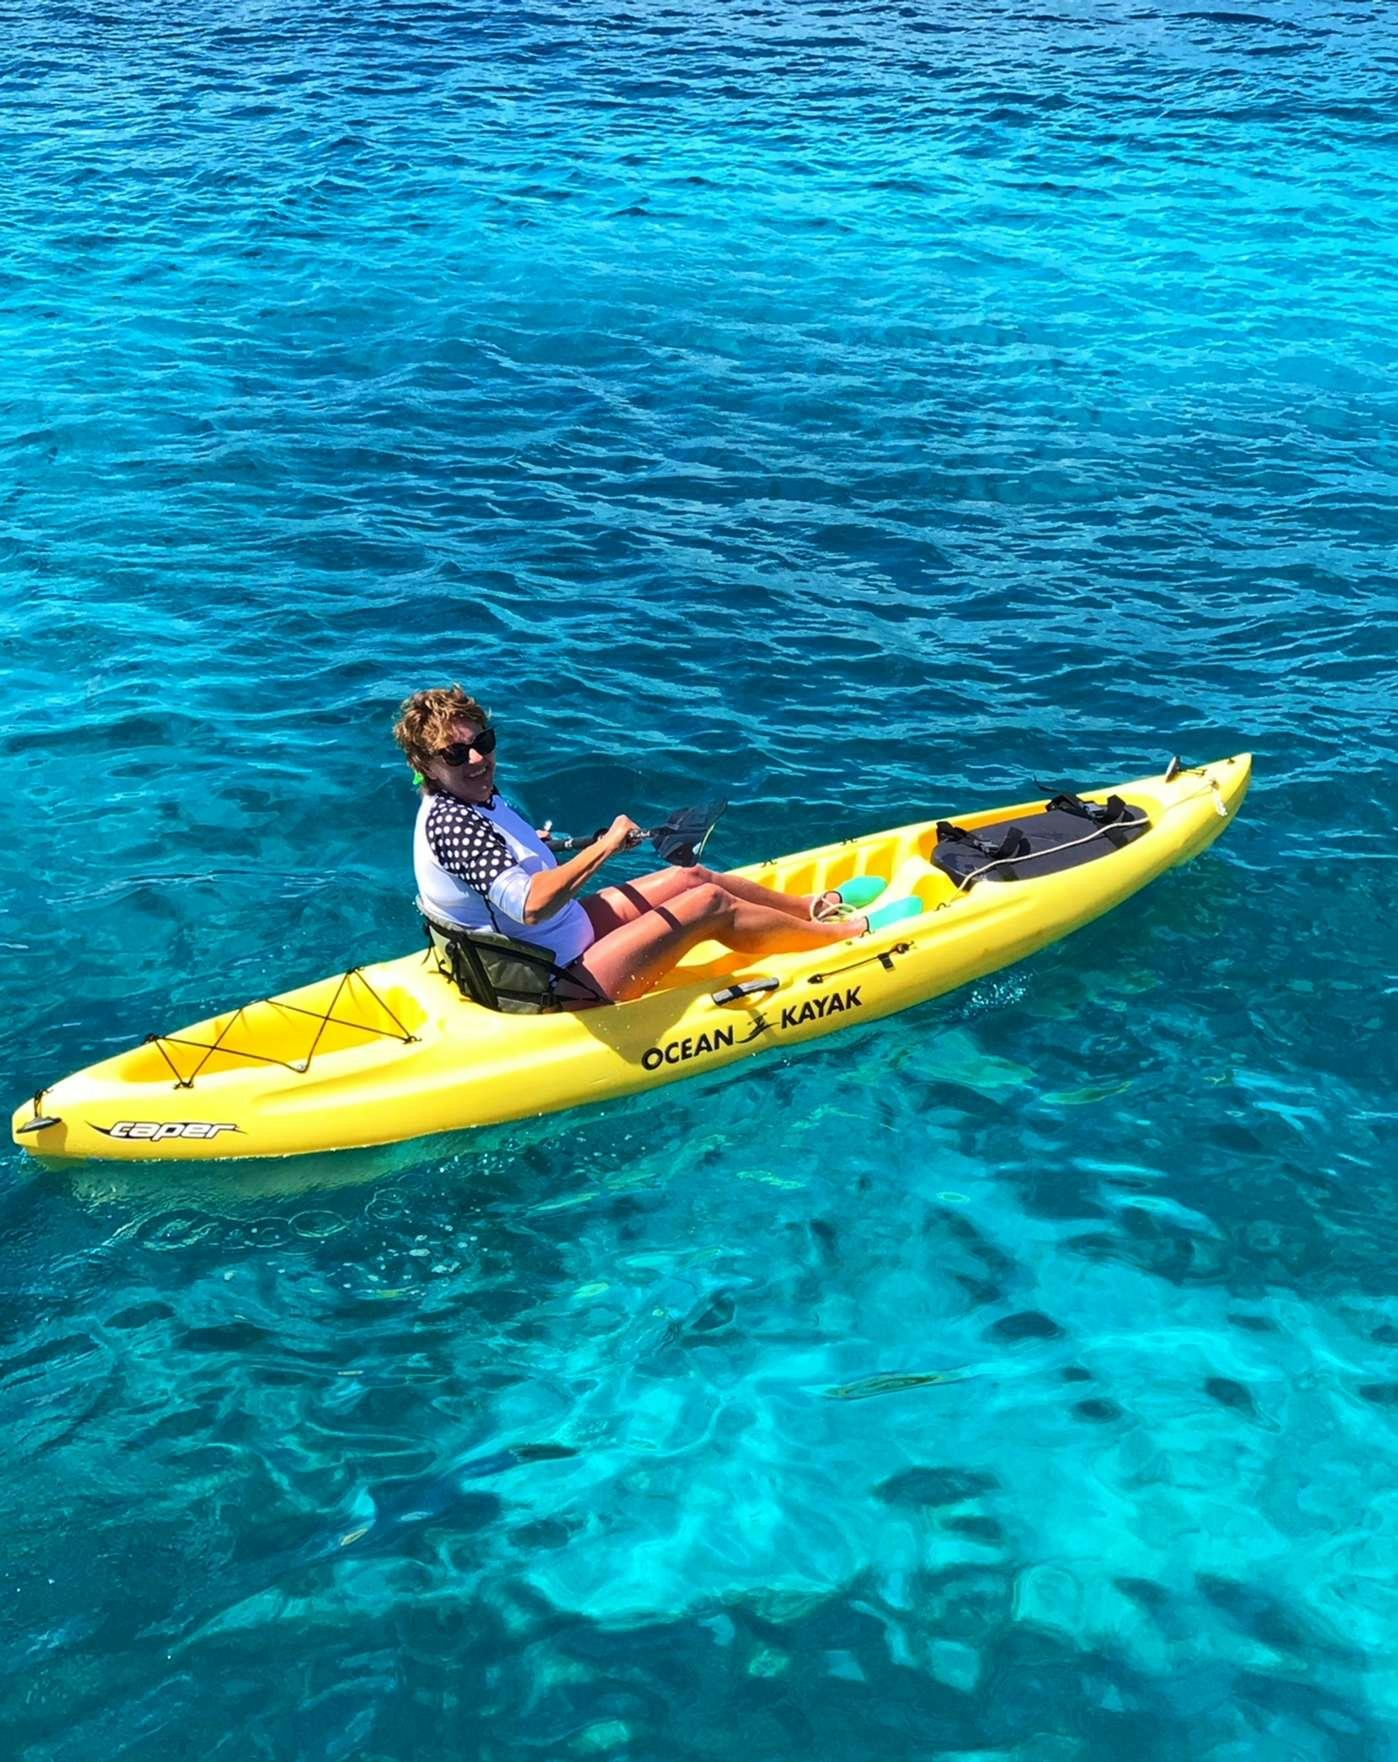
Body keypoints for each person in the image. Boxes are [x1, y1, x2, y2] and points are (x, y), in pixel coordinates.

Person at [393, 685, 871, 1005]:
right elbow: (530, 906)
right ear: (425, 764)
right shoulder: (452, 824)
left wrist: (536, 847)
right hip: (554, 982)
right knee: (709, 903)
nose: (477, 758)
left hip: (555, 941)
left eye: (484, 741)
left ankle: (807, 908)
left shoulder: (470, 796)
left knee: (691, 877)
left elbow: (498, 869)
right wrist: (601, 850)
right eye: (455, 753)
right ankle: (842, 941)